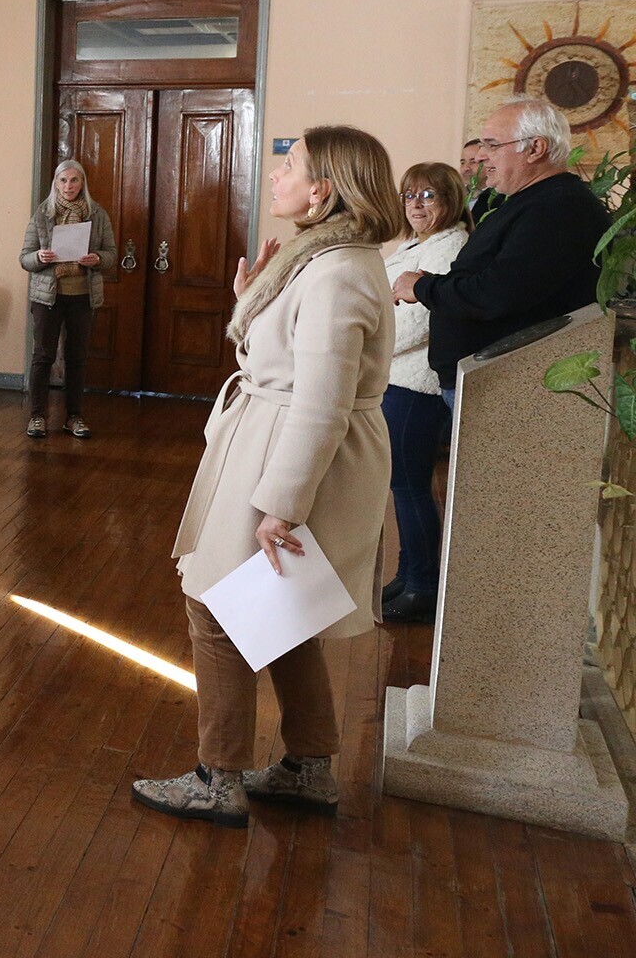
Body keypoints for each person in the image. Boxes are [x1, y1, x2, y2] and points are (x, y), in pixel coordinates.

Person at [133, 126, 401, 828]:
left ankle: (217, 778)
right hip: (271, 436)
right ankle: (309, 767)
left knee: (219, 607)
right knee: (283, 612)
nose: (277, 176)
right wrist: (249, 299)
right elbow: (282, 359)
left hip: (294, 450)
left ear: (325, 191)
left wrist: (281, 504)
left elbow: (322, 401)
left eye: (290, 165)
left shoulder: (338, 269)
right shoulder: (320, 257)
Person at [394, 98, 609, 412]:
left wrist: (422, 288)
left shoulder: (558, 208)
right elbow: (502, 281)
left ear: (536, 149)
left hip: (509, 386)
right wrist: (436, 284)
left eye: (492, 145)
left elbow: (495, 295)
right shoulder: (536, 201)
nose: (480, 157)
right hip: (490, 382)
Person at [380, 163, 471, 625]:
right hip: (393, 379)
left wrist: (365, 347)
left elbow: (416, 322)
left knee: (411, 487)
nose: (416, 205)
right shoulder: (416, 244)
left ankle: (422, 588)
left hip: (415, 385)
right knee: (402, 487)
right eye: (410, 196)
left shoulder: (451, 246)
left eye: (428, 196)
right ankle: (408, 572)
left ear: (450, 200)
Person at [18, 159, 116, 439]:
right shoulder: (42, 214)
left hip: (82, 296)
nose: (69, 186)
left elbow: (111, 253)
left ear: (82, 182)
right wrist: (39, 257)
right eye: (63, 181)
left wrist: (97, 259)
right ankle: (37, 416)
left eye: (74, 180)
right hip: (48, 297)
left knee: (76, 358)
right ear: (55, 184)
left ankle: (73, 417)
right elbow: (24, 257)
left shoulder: (97, 214)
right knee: (43, 357)